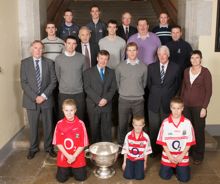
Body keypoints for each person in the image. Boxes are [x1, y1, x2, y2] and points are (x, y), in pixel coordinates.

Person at [20, 40, 57, 159]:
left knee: (48, 125)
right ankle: (33, 148)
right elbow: (24, 83)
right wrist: (35, 97)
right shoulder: (24, 63)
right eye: (36, 48)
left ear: (43, 50)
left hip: (46, 99)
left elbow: (53, 81)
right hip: (31, 100)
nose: (38, 50)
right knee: (33, 125)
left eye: (40, 48)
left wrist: (43, 96)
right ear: (31, 49)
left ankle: (49, 147)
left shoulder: (49, 63)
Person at [147, 45, 180, 157]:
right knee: (154, 128)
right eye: (159, 54)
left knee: (166, 129)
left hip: (168, 103)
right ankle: (154, 151)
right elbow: (149, 84)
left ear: (168, 55)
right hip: (153, 103)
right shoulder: (151, 67)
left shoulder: (175, 67)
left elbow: (177, 85)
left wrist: (168, 94)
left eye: (164, 54)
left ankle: (165, 151)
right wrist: (157, 93)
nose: (162, 56)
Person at [181, 50, 212, 165]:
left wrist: (204, 107)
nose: (194, 60)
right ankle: (188, 152)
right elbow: (183, 88)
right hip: (186, 106)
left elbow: (209, 91)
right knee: (188, 131)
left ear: (201, 59)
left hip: (199, 107)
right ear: (190, 60)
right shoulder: (186, 71)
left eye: (197, 58)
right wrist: (181, 104)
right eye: (192, 58)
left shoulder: (205, 72)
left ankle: (198, 155)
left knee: (198, 131)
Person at [156, 97, 196, 182]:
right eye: (174, 108)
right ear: (170, 108)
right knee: (164, 176)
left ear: (182, 108)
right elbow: (163, 142)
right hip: (168, 155)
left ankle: (181, 168)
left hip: (182, 156)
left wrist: (181, 155)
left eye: (178, 108)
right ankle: (173, 167)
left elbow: (189, 142)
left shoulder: (187, 123)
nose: (176, 111)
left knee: (184, 179)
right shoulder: (165, 123)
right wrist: (170, 156)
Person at [115, 42, 147, 145]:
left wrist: (136, 91)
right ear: (126, 52)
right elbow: (117, 82)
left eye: (134, 50)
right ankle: (121, 145)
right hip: (124, 100)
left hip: (138, 100)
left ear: (137, 51)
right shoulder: (120, 66)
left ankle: (138, 145)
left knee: (139, 124)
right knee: (122, 124)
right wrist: (125, 92)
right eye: (129, 50)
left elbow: (144, 83)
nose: (132, 52)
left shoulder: (143, 67)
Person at [83, 50, 117, 143]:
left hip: (107, 105)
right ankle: (94, 154)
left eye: (105, 59)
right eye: (101, 58)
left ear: (108, 60)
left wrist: (105, 99)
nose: (103, 61)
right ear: (97, 58)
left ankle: (106, 152)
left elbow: (113, 88)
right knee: (94, 130)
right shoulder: (88, 72)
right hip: (93, 105)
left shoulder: (111, 72)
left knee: (106, 130)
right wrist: (98, 100)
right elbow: (87, 88)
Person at [53, 99, 88, 182]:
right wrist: (68, 156)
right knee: (61, 179)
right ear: (63, 110)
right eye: (66, 110)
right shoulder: (59, 124)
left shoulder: (80, 124)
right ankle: (68, 169)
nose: (69, 113)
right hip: (64, 155)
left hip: (77, 155)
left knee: (81, 178)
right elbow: (58, 143)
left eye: (71, 110)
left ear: (75, 110)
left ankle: (73, 169)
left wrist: (74, 156)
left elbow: (83, 144)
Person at [55, 36, 87, 121]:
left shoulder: (82, 58)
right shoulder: (58, 59)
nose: (71, 46)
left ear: (76, 45)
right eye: (69, 43)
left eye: (73, 44)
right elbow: (58, 76)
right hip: (64, 93)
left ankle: (79, 134)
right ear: (65, 44)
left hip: (78, 92)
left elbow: (84, 75)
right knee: (63, 117)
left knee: (79, 117)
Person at [122, 115, 152, 180]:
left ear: (143, 125)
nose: (138, 127)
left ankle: (137, 167)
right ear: (133, 125)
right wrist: (124, 162)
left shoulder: (146, 137)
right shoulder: (128, 135)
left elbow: (146, 152)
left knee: (139, 177)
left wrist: (145, 163)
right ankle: (131, 167)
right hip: (130, 158)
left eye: (140, 125)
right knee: (128, 176)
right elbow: (125, 149)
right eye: (136, 125)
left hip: (140, 159)